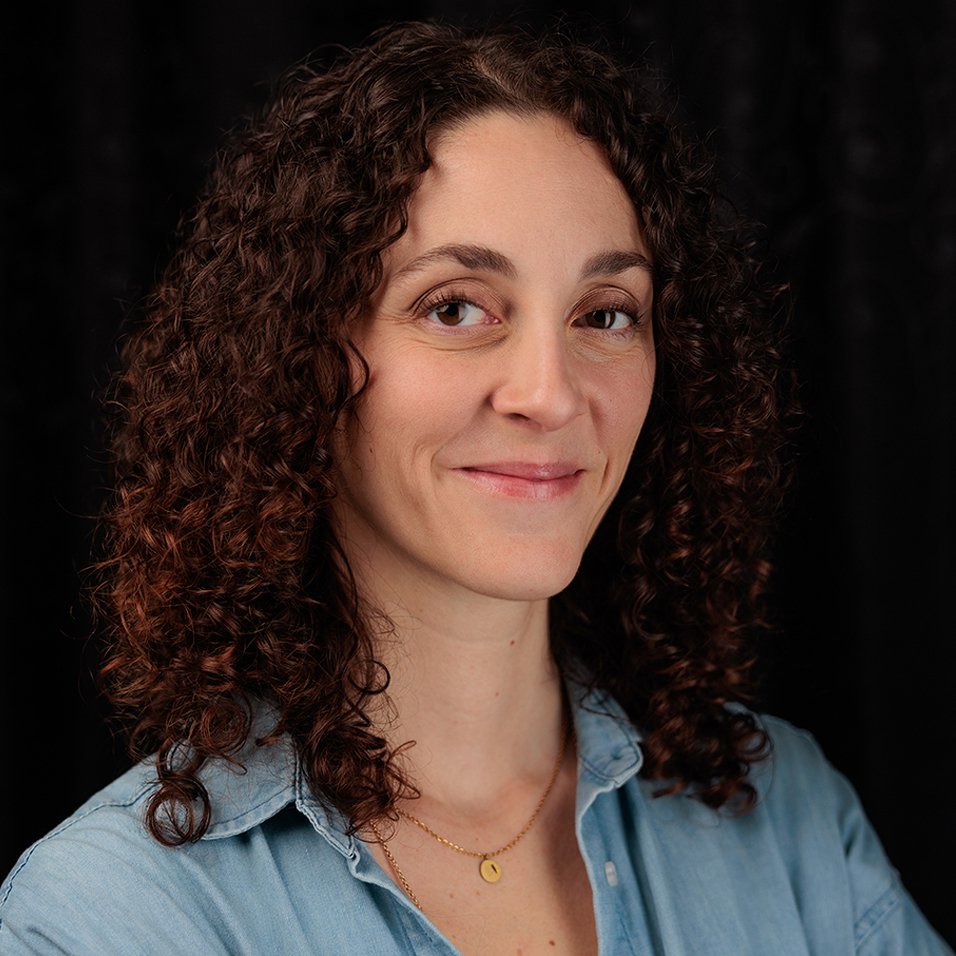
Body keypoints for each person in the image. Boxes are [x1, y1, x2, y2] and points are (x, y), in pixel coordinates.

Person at [0, 19, 950, 956]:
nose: (551, 393)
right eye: (455, 307)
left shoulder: (789, 822)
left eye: (606, 314)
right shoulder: (115, 917)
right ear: (296, 361)